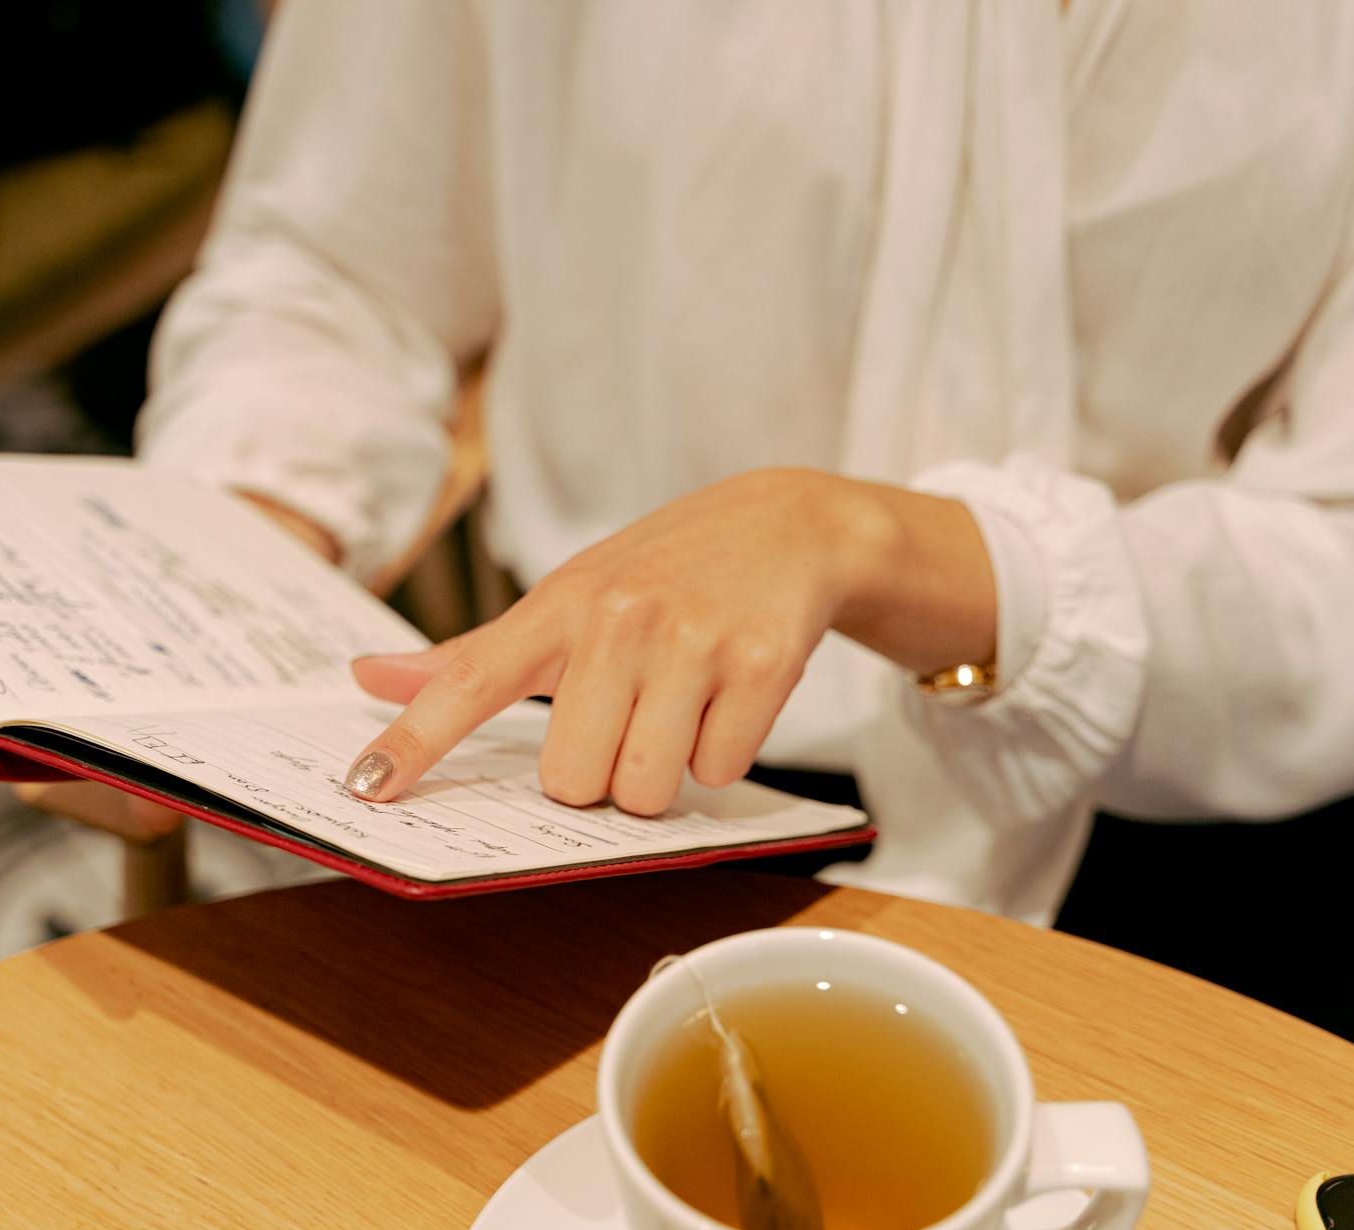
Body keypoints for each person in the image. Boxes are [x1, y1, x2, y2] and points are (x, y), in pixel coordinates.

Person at [132, 2, 1354, 947]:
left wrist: (870, 546)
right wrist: (227, 562)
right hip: (577, 767)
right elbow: (339, 267)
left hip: (1166, 788)